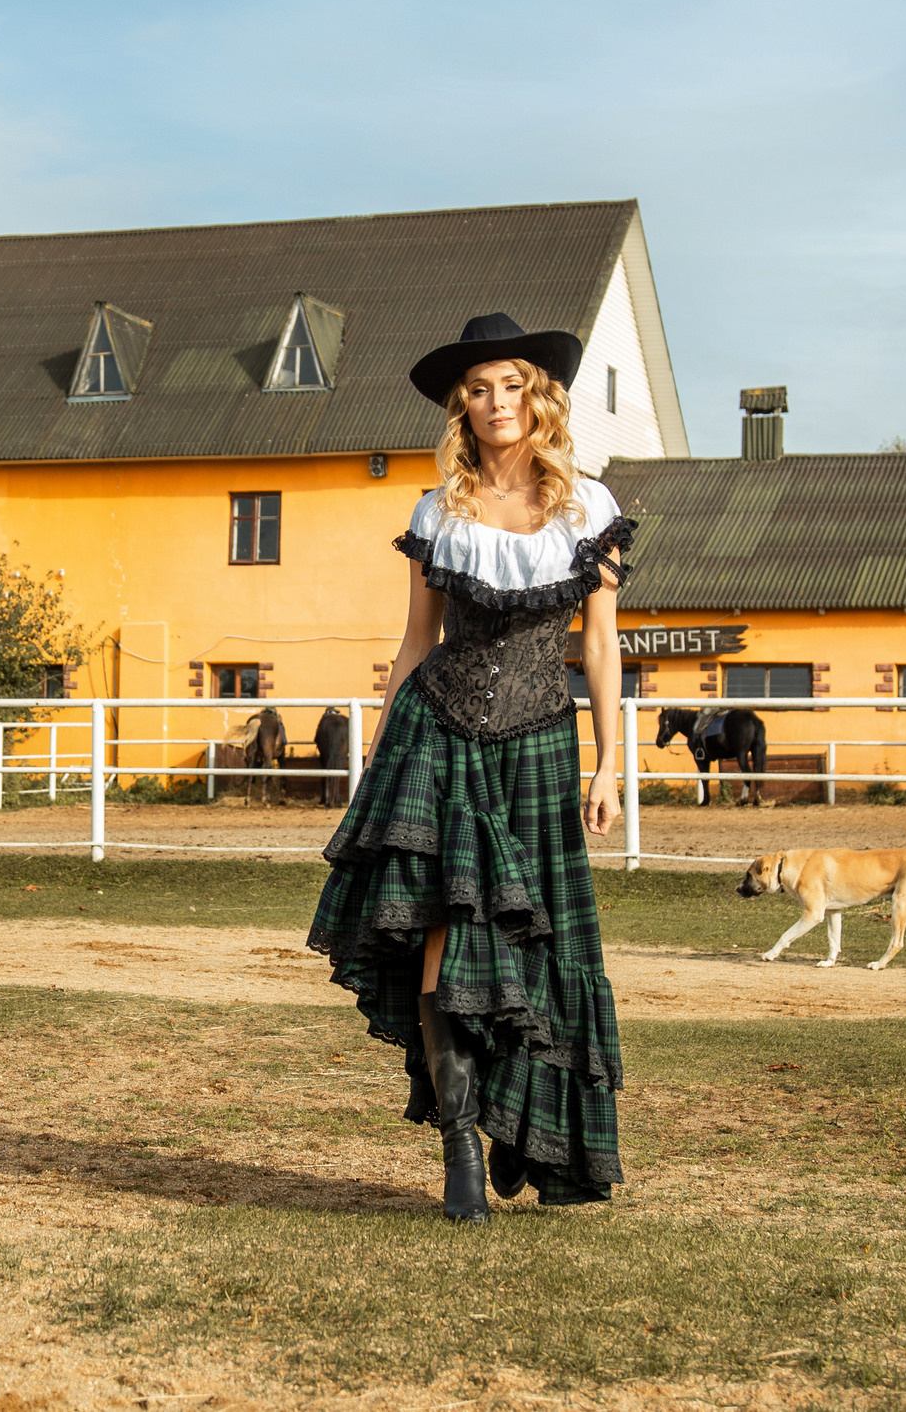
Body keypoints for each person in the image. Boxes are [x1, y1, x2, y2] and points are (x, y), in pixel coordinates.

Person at [306, 313, 632, 1222]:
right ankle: (457, 1147)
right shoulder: (437, 510)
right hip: (440, 735)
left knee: (536, 942)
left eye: (512, 385)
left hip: (539, 743)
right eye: (480, 389)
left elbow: (600, 646)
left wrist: (610, 763)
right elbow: (416, 642)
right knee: (446, 930)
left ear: (538, 396)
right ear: (463, 406)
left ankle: (520, 1126)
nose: (496, 402)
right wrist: (379, 757)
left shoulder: (589, 507)